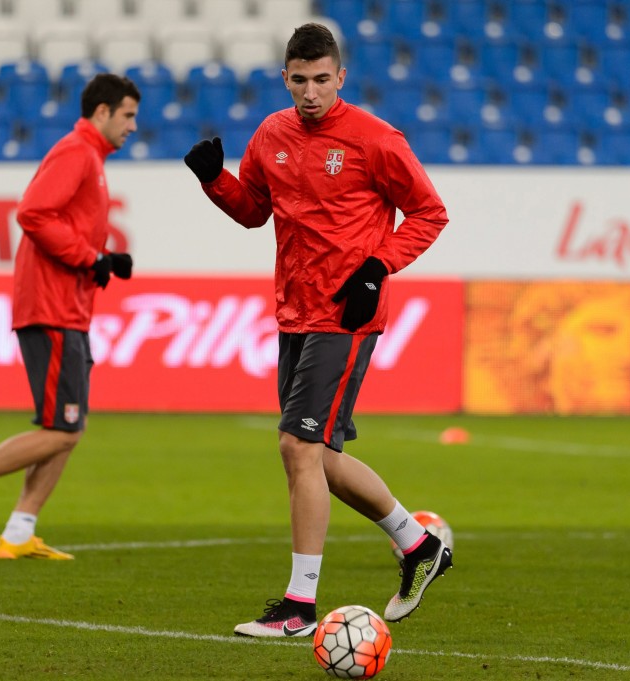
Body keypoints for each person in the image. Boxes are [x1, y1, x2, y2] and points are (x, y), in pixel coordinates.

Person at [184, 23, 451, 637]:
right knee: (320, 455)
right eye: (300, 81)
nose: (311, 92)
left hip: (346, 314)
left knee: (297, 447)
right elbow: (254, 211)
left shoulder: (376, 139)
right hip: (294, 311)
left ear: (341, 77)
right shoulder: (271, 134)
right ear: (285, 78)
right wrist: (215, 181)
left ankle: (299, 607)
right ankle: (418, 545)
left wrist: (377, 269)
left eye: (322, 80)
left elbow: (430, 212)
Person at [0, 73, 140, 560]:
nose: (133, 126)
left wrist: (102, 260)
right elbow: (33, 213)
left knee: (69, 429)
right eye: (127, 116)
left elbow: (63, 225)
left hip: (69, 307)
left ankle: (19, 531)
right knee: (61, 429)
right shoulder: (76, 152)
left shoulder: (90, 157)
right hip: (52, 305)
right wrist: (91, 258)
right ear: (102, 112)